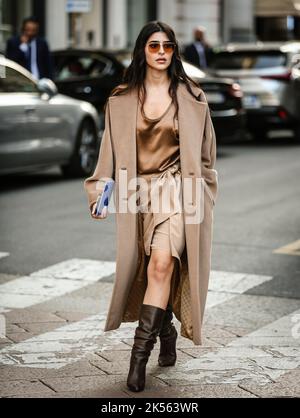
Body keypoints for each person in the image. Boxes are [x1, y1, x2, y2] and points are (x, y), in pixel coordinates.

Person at [83, 21, 218, 392]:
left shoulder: (192, 97)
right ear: (142, 50)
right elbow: (108, 157)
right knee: (143, 270)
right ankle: (166, 330)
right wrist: (100, 196)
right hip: (134, 194)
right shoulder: (121, 100)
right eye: (154, 45)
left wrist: (203, 194)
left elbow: (206, 159)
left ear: (175, 52)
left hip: (177, 191)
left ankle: (137, 360)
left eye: (168, 46)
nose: (161, 52)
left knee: (162, 264)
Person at [5, 16, 53, 80]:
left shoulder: (42, 43)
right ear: (23, 29)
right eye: (28, 30)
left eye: (33, 30)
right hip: (21, 81)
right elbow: (11, 63)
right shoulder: (13, 42)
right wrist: (23, 46)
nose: (30, 33)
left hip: (40, 81)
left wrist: (49, 80)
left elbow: (48, 64)